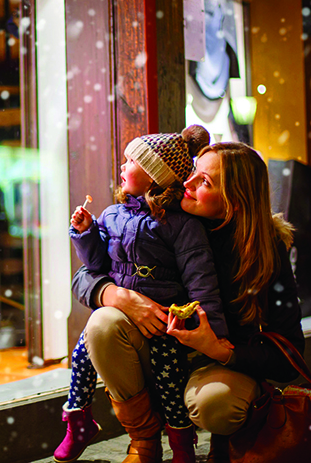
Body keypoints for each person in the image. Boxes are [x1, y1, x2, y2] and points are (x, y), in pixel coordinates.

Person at [72, 142, 304, 463]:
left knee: (216, 403)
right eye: (193, 172)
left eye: (204, 182)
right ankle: (143, 441)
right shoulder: (164, 215)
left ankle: (231, 436)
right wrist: (115, 295)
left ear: (235, 202)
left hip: (216, 364)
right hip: (158, 351)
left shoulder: (265, 249)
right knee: (102, 323)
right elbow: (86, 275)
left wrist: (221, 349)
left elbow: (288, 355)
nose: (187, 184)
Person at [55, 126, 229, 463]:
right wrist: (85, 232)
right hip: (121, 319)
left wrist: (214, 334)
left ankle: (181, 446)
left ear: (152, 176)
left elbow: (200, 278)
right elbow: (95, 264)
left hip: (164, 320)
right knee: (82, 354)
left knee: (170, 380)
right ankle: (80, 423)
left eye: (131, 160)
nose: (122, 166)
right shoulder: (112, 214)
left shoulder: (180, 224)